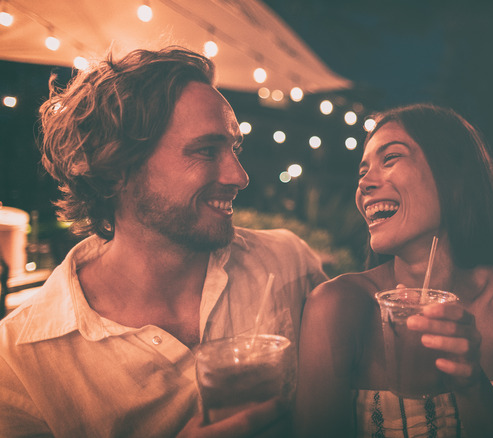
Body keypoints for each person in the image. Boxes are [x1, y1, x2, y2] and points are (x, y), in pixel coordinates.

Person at [0, 46, 327, 437]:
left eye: (233, 149)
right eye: (206, 150)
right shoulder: (18, 361)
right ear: (116, 170)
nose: (239, 176)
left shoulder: (286, 261)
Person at [295, 103, 493, 437]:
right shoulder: (335, 305)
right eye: (362, 172)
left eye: (390, 158)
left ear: (454, 174)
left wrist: (471, 384)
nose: (364, 184)